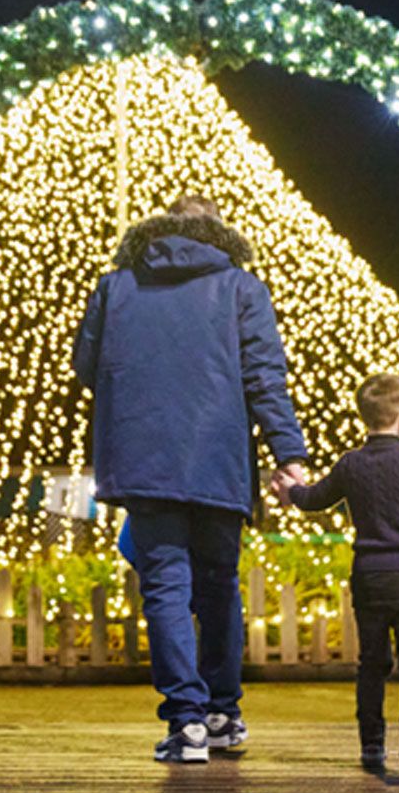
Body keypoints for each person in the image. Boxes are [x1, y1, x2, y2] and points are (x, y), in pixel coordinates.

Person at [73, 195, 310, 764]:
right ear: (217, 234)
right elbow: (264, 377)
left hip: (144, 457)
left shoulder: (116, 286)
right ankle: (223, 712)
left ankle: (186, 723)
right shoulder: (241, 289)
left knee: (166, 588)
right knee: (219, 585)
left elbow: (86, 367)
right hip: (218, 459)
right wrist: (289, 453)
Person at [278, 371, 399, 782]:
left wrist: (290, 489)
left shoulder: (350, 464)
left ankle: (371, 743)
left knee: (372, 664)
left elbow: (312, 500)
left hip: (370, 580)